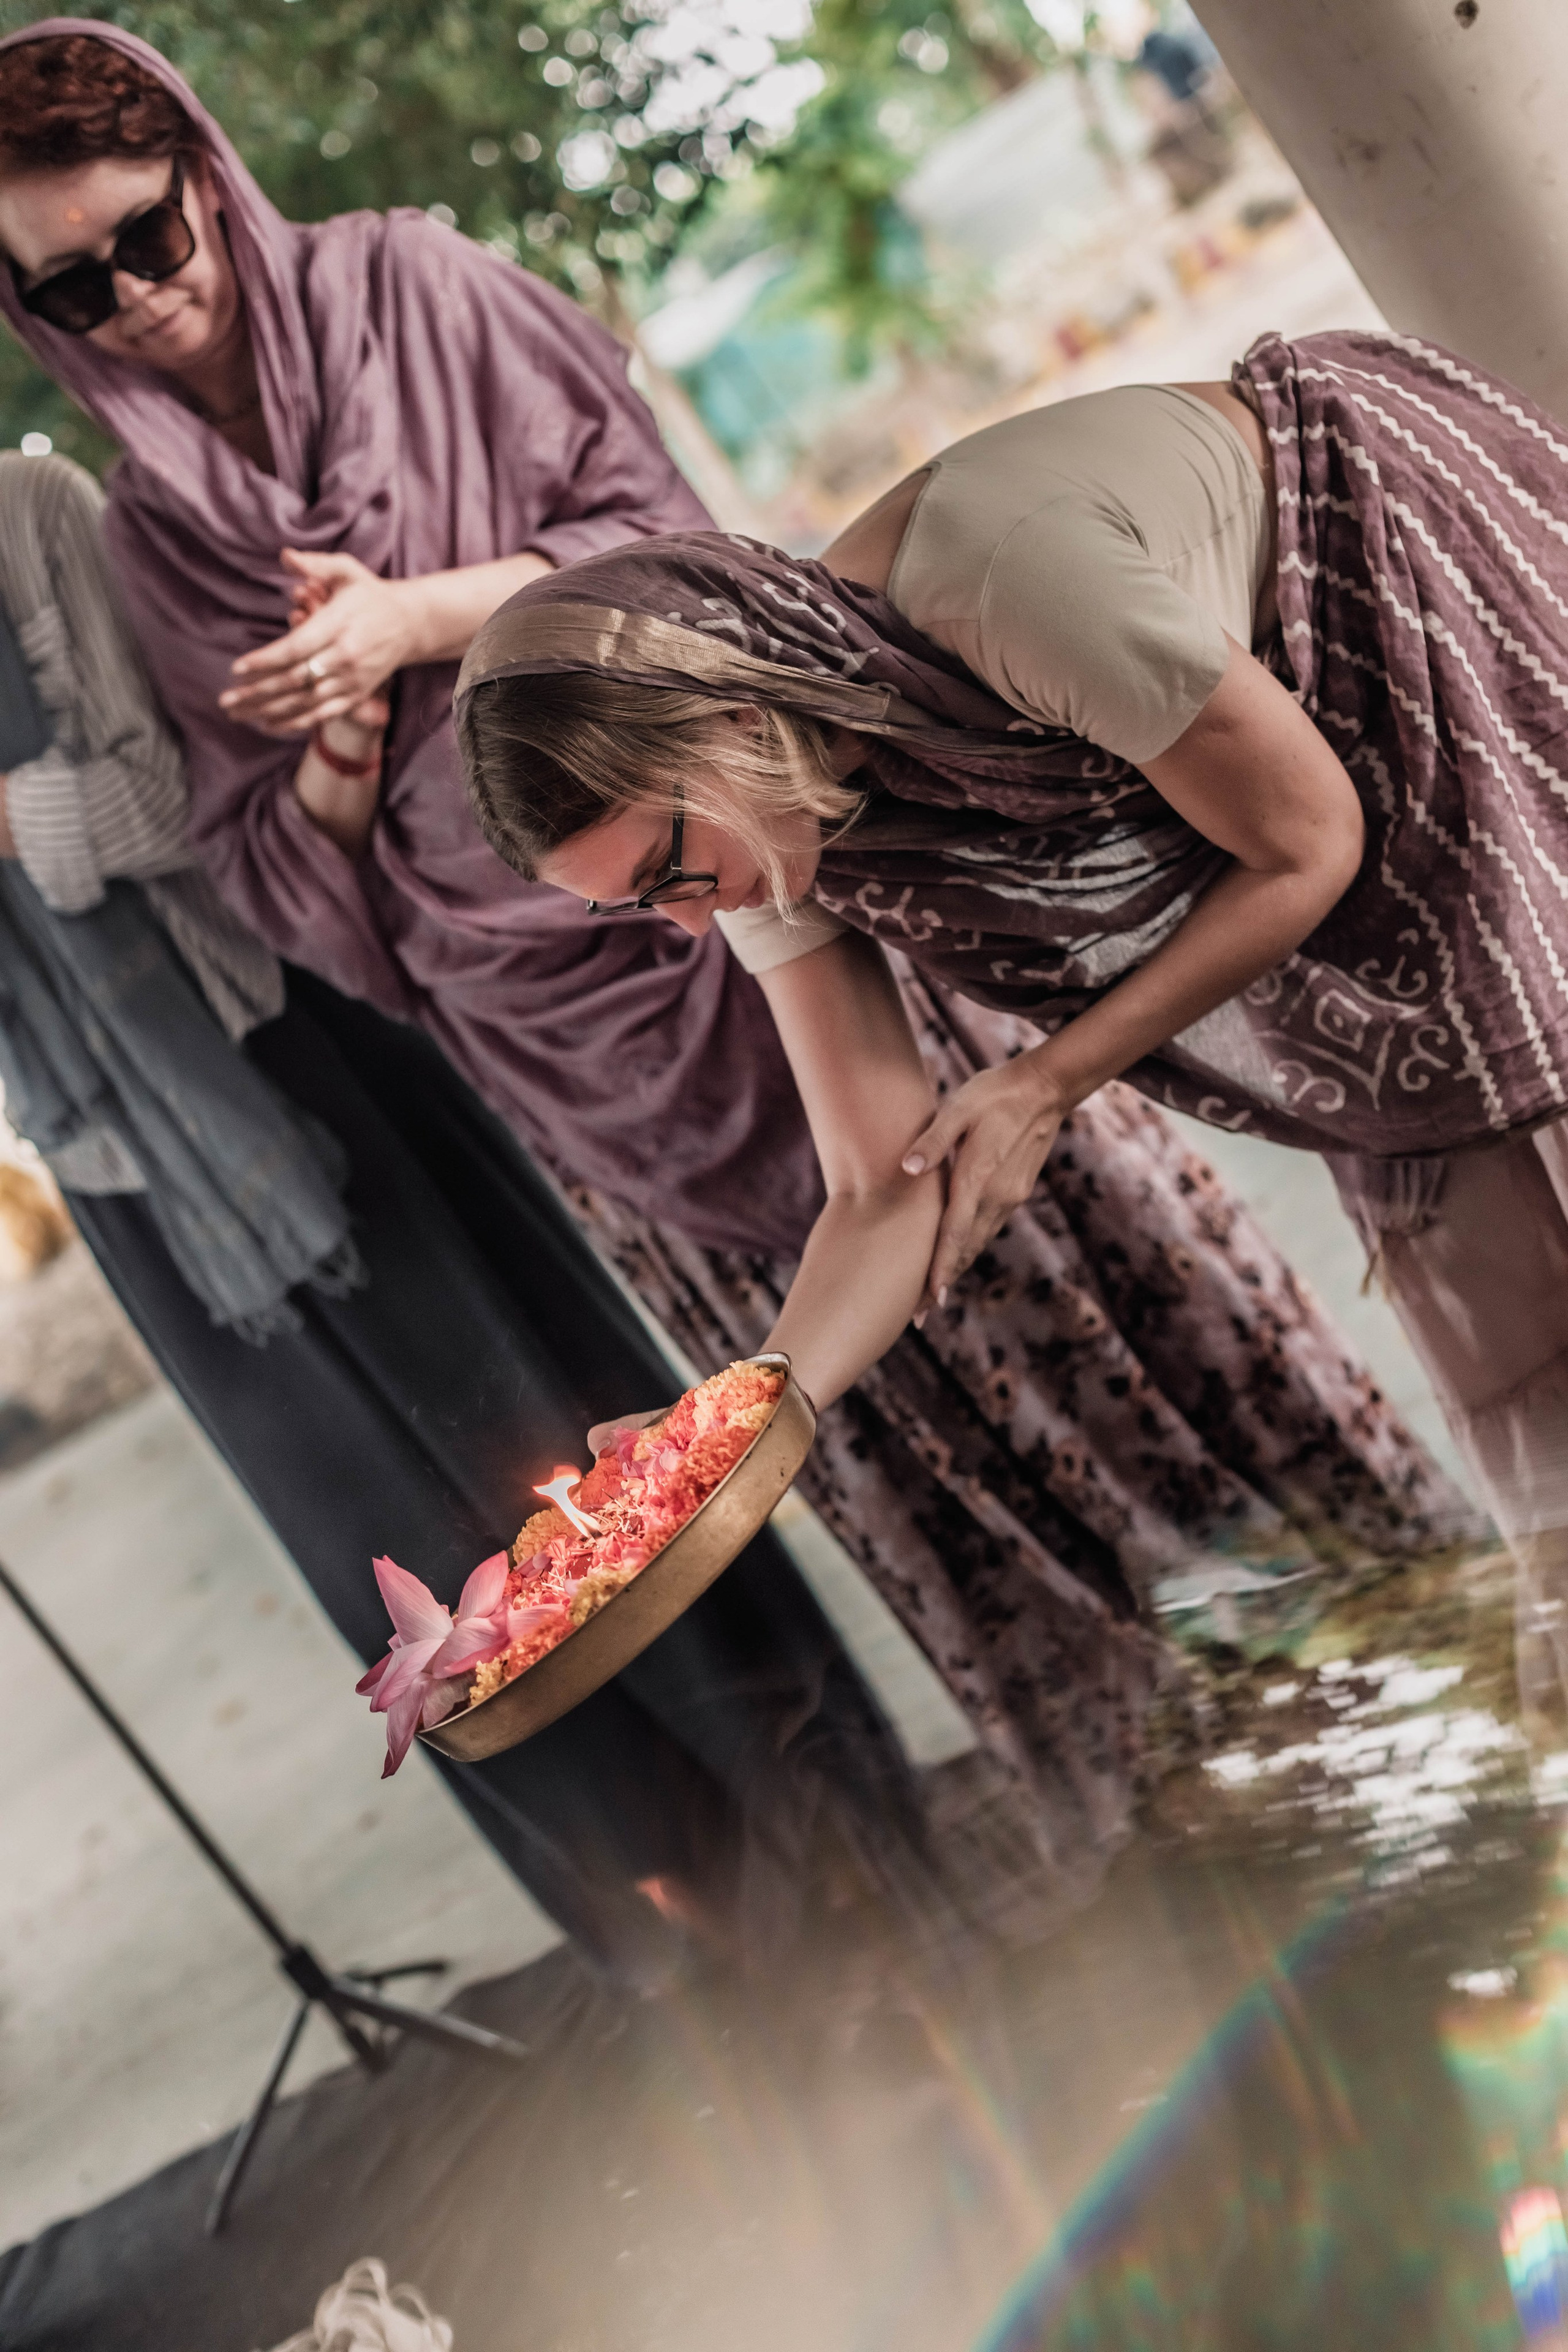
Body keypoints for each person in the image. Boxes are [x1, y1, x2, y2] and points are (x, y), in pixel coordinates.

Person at [0, 28, 1466, 1906]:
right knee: (921, 1436)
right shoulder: (152, 543)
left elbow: (701, 577)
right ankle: (1222, 1854)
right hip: (584, 1048)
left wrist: (426, 615)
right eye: (64, 288)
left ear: (207, 175)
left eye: (146, 239)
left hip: (788, 874)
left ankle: (1411, 1685)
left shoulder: (428, 303)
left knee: (1078, 1294)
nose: (132, 300)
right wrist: (352, 754)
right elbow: (276, 882)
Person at [452, 336, 1568, 1694]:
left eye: (672, 873)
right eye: (643, 907)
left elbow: (1301, 840)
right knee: (1497, 1302)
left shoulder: (1001, 581)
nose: (691, 923)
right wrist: (730, 1430)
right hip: (1285, 792)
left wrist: (1049, 1078)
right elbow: (880, 1181)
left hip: (1418, 616)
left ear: (736, 723)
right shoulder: (767, 815)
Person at [0, 448, 916, 1993]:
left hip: (303, 1072)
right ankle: (674, 1945)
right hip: (129, 1174)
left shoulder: (35, 517)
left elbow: (184, 795)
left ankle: (844, 1852)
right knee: (392, 1578)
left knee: (564, 1478)